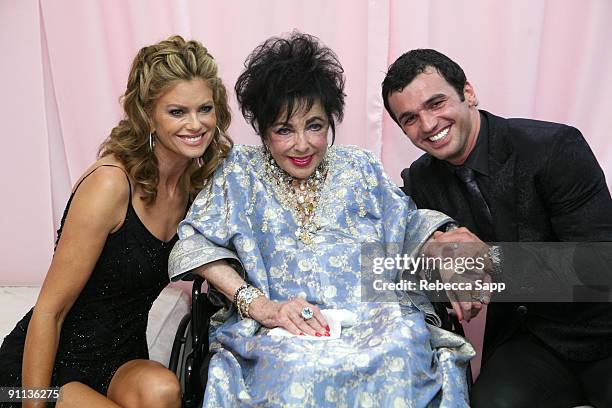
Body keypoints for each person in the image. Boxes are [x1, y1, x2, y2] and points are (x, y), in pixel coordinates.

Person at [168, 32, 474, 407]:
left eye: (314, 125)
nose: (302, 144)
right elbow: (193, 244)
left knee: (402, 351)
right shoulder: (239, 173)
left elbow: (407, 225)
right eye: (284, 130)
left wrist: (449, 249)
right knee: (294, 372)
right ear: (263, 132)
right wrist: (260, 305)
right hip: (280, 329)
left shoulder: (357, 165)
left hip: (374, 319)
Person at [0, 35, 233, 408]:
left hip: (121, 361)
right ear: (148, 114)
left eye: (204, 109)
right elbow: (50, 311)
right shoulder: (111, 183)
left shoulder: (196, 188)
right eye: (177, 112)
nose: (195, 124)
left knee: (165, 391)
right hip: (46, 369)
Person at [382, 48, 612, 407]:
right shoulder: (421, 180)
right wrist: (434, 249)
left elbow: (598, 266)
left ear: (468, 93)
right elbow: (394, 249)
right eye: (409, 118)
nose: (428, 125)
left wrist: (487, 259)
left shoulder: (553, 147)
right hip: (531, 339)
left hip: (603, 329)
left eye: (436, 103)